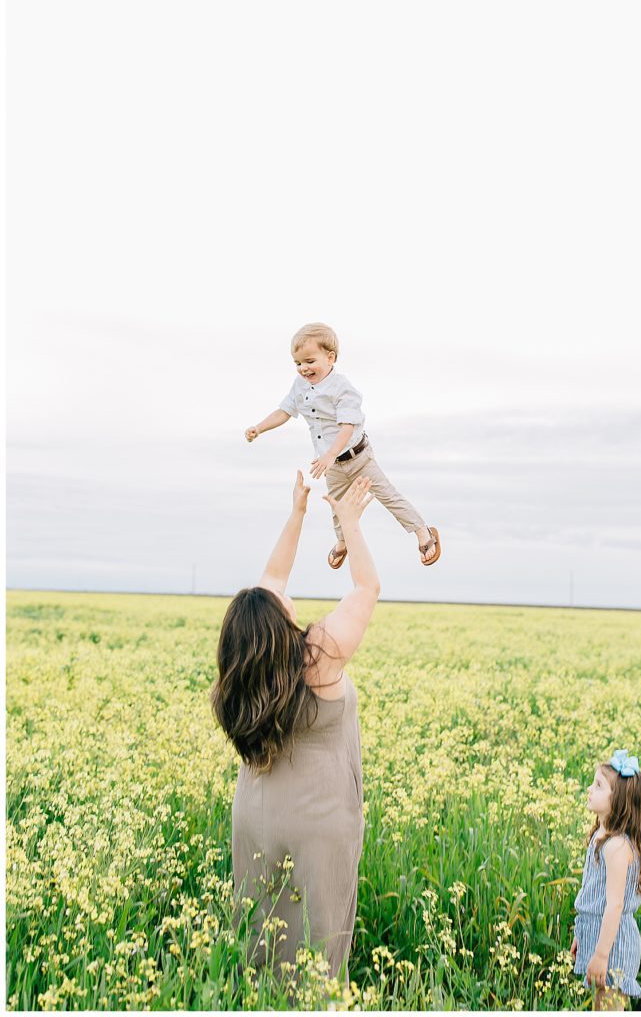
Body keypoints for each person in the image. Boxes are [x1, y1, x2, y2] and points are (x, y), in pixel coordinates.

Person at [211, 471, 380, 980]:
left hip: (257, 814)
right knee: (316, 947)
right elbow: (367, 586)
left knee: (260, 937)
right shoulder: (316, 656)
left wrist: (298, 513)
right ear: (276, 624)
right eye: (282, 604)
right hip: (317, 823)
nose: (285, 595)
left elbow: (271, 583)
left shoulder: (245, 671)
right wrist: (348, 521)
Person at [244, 321, 441, 570]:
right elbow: (284, 411)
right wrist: (259, 428)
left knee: (387, 495)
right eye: (298, 363)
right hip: (333, 463)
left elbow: (347, 426)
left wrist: (329, 454)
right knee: (336, 506)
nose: (303, 368)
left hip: (358, 457)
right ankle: (342, 542)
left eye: (309, 361)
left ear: (330, 357)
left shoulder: (343, 388)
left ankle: (423, 532)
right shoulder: (300, 387)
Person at [571, 750, 641, 1011]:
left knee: (609, 1009)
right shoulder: (601, 833)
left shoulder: (617, 847)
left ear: (618, 800)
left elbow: (614, 906)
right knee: (601, 1008)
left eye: (598, 785)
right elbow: (593, 895)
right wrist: (581, 935)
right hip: (598, 935)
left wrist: (601, 954)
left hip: (613, 945)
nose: (589, 789)